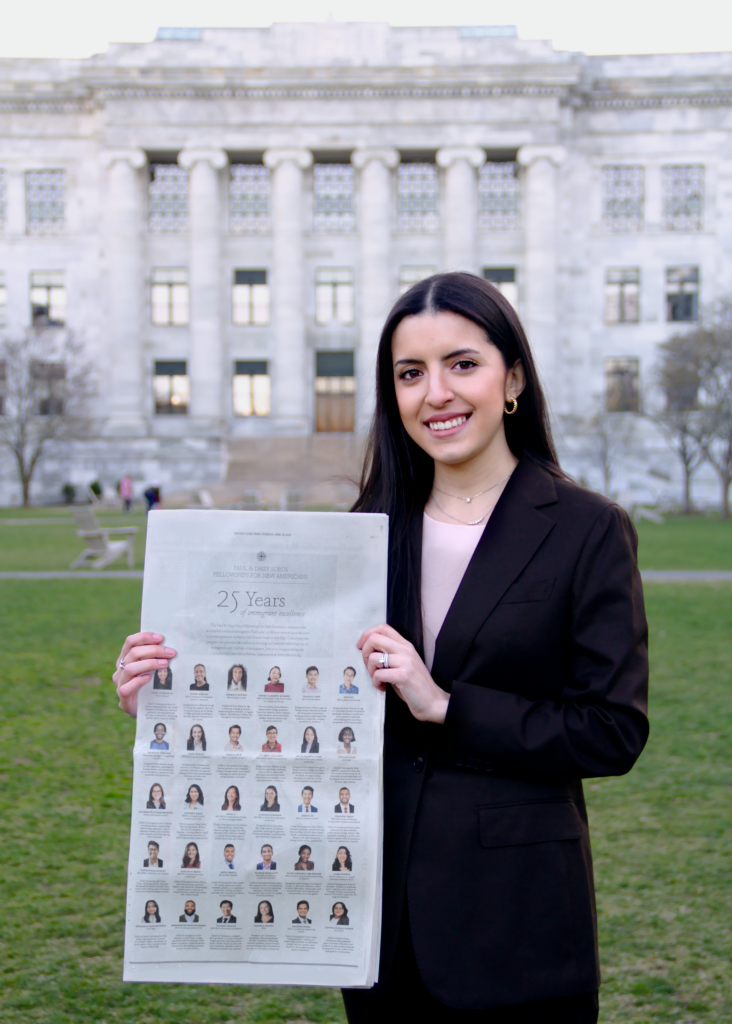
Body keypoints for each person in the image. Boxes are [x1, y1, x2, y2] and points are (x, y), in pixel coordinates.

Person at [113, 272, 649, 1022]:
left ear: (514, 378)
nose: (437, 393)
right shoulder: (361, 533)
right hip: (376, 924)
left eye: (463, 363)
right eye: (410, 373)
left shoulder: (586, 528)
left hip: (518, 923)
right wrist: (173, 698)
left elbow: (612, 731)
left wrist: (444, 705)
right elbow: (303, 710)